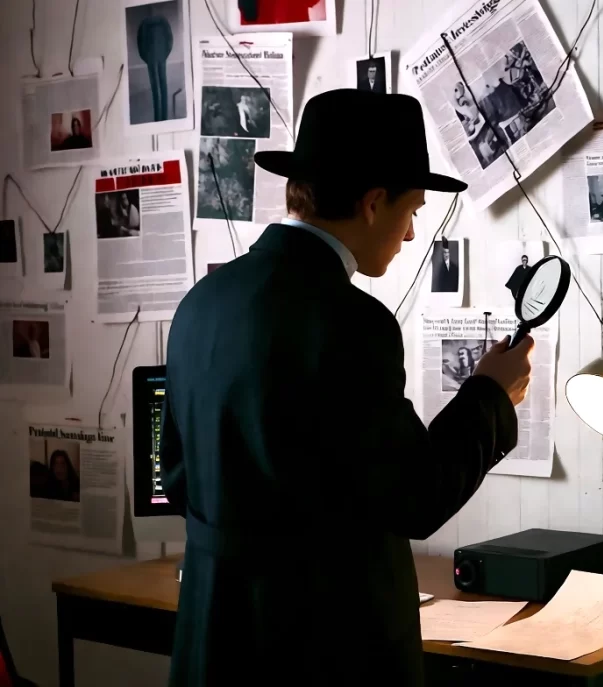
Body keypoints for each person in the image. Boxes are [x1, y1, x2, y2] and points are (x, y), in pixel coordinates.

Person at [160, 89, 533, 687]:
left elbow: (178, 477)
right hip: (323, 643)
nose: (410, 235)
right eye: (412, 211)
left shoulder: (200, 303)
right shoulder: (352, 323)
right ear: (373, 203)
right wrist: (490, 395)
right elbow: (416, 497)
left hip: (211, 634)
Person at [137, 12, 173, 122]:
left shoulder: (148, 23)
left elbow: (140, 42)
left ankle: (161, 118)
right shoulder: (160, 21)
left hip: (155, 57)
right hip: (156, 56)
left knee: (159, 89)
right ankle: (161, 118)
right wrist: (164, 54)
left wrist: (147, 57)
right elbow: (169, 39)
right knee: (160, 88)